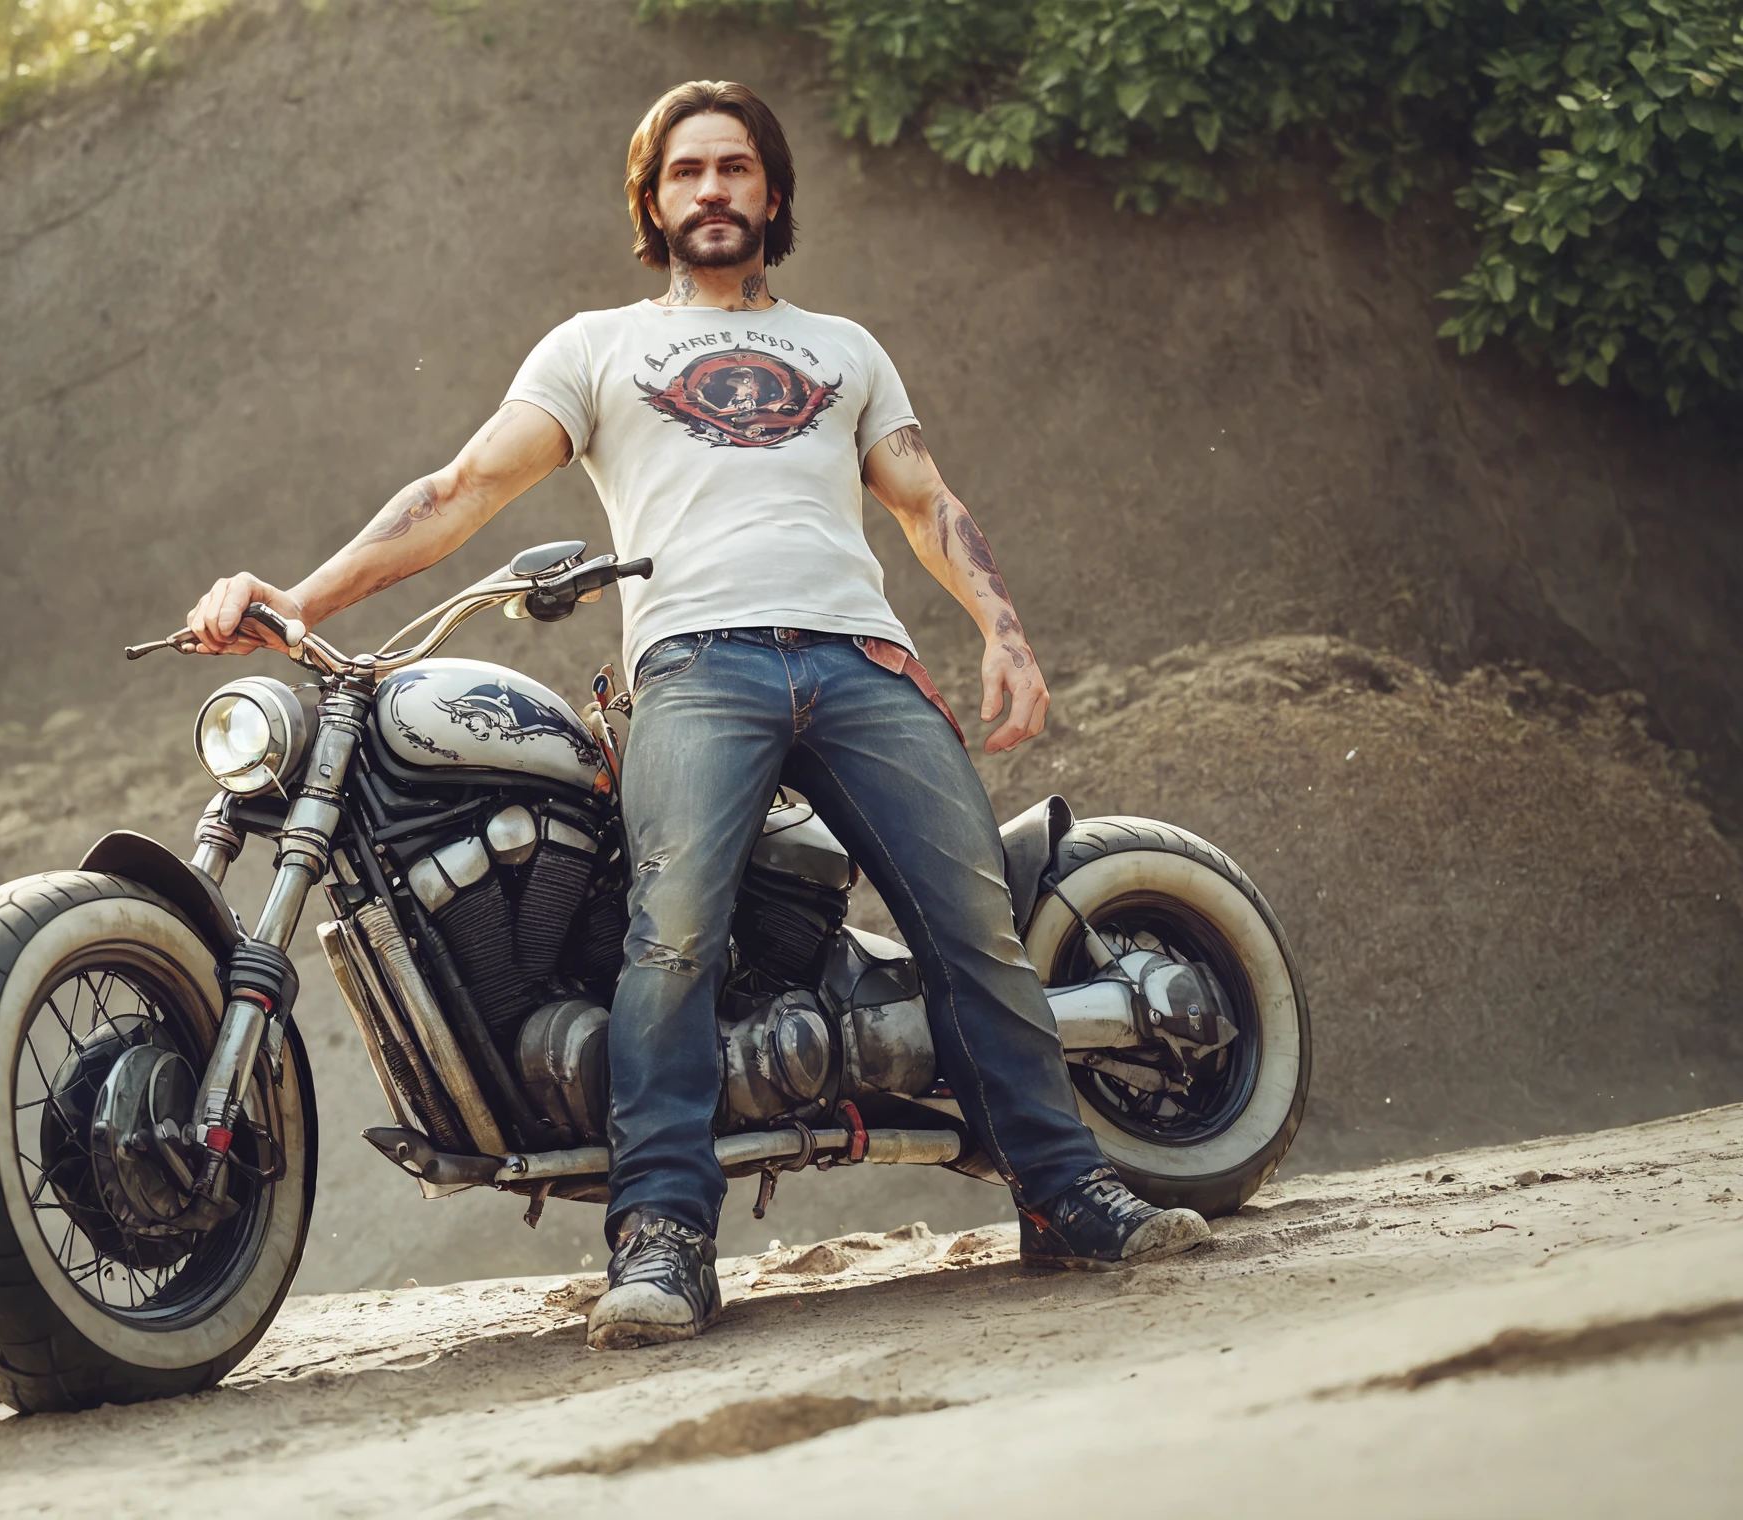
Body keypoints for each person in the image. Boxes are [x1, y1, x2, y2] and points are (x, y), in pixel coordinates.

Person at [183, 79, 1209, 1352]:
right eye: (685, 173)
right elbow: (457, 491)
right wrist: (297, 595)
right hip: (694, 665)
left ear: (771, 195)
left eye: (734, 169)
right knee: (665, 939)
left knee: (971, 925)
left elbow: (923, 501)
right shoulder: (595, 346)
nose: (711, 189)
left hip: (861, 660)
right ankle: (663, 1235)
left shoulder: (845, 347)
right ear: (652, 201)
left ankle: (1065, 1193)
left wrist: (1002, 628)